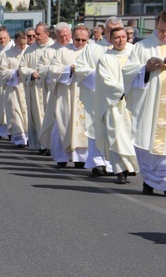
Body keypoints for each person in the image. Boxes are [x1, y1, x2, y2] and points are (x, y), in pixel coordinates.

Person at [122, 10, 166, 195]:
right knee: (148, 144)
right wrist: (146, 68)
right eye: (162, 29)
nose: (164, 34)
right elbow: (128, 72)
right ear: (156, 25)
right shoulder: (143, 47)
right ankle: (149, 180)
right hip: (151, 104)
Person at [73, 16, 122, 176]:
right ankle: (98, 162)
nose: (112, 35)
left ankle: (119, 164)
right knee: (96, 129)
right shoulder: (92, 48)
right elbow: (80, 68)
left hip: (120, 99)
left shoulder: (129, 49)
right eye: (109, 31)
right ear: (104, 31)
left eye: (116, 31)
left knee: (119, 130)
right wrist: (100, 79)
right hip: (97, 98)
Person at [40, 23, 90, 167]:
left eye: (83, 40)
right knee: (63, 124)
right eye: (77, 39)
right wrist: (69, 69)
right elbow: (52, 69)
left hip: (85, 94)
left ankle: (80, 159)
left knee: (82, 126)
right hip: (66, 94)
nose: (80, 43)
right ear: (72, 37)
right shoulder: (62, 51)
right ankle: (62, 157)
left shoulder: (91, 51)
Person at [93, 27, 137, 184]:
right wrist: (125, 90)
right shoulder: (105, 58)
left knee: (132, 136)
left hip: (135, 103)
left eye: (123, 37)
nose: (121, 40)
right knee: (116, 136)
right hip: (115, 104)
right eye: (117, 37)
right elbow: (106, 81)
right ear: (110, 40)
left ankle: (130, 167)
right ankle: (120, 171)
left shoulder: (134, 54)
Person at [19, 22, 56, 152]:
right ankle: (41, 144)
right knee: (37, 116)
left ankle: (51, 144)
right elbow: (22, 66)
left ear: (47, 33)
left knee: (50, 115)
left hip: (50, 89)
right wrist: (31, 73)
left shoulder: (54, 48)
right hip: (35, 88)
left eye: (38, 34)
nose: (35, 36)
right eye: (35, 34)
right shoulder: (30, 49)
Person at [0, 30, 29, 146]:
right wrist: (15, 73)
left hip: (26, 87)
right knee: (15, 113)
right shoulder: (7, 54)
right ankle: (19, 139)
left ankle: (29, 138)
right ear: (15, 41)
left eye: (24, 43)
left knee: (27, 113)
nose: (22, 46)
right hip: (13, 89)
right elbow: (2, 71)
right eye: (20, 44)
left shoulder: (29, 51)